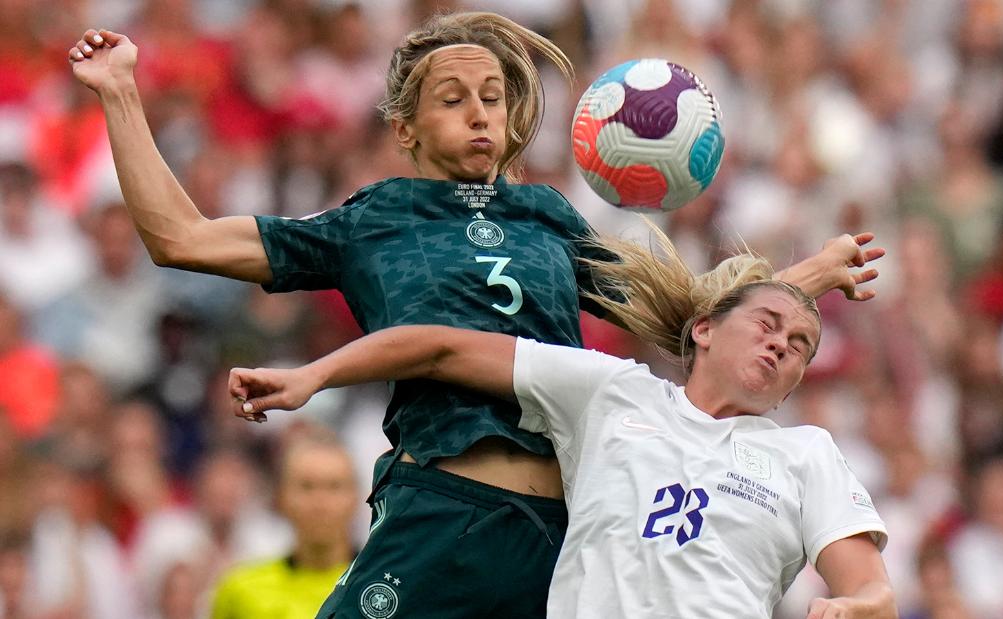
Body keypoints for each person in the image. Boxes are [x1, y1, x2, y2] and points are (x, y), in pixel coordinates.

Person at [69, 11, 882, 618]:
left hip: (555, 538)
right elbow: (180, 237)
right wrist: (120, 94)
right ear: (405, 127)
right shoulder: (373, 218)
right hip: (439, 508)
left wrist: (806, 275)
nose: (482, 113)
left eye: (493, 96)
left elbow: (696, 322)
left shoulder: (547, 216)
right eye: (454, 98)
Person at [227, 225, 895, 619]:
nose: (782, 344)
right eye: (768, 326)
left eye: (802, 345)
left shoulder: (808, 454)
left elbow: (872, 591)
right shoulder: (613, 394)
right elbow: (442, 346)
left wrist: (852, 607)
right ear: (704, 330)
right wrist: (313, 374)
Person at [210, 428, 359, 619]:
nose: (320, 502)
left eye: (334, 486)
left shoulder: (389, 585)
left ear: (356, 498)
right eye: (306, 486)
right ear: (280, 498)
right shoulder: (239, 590)